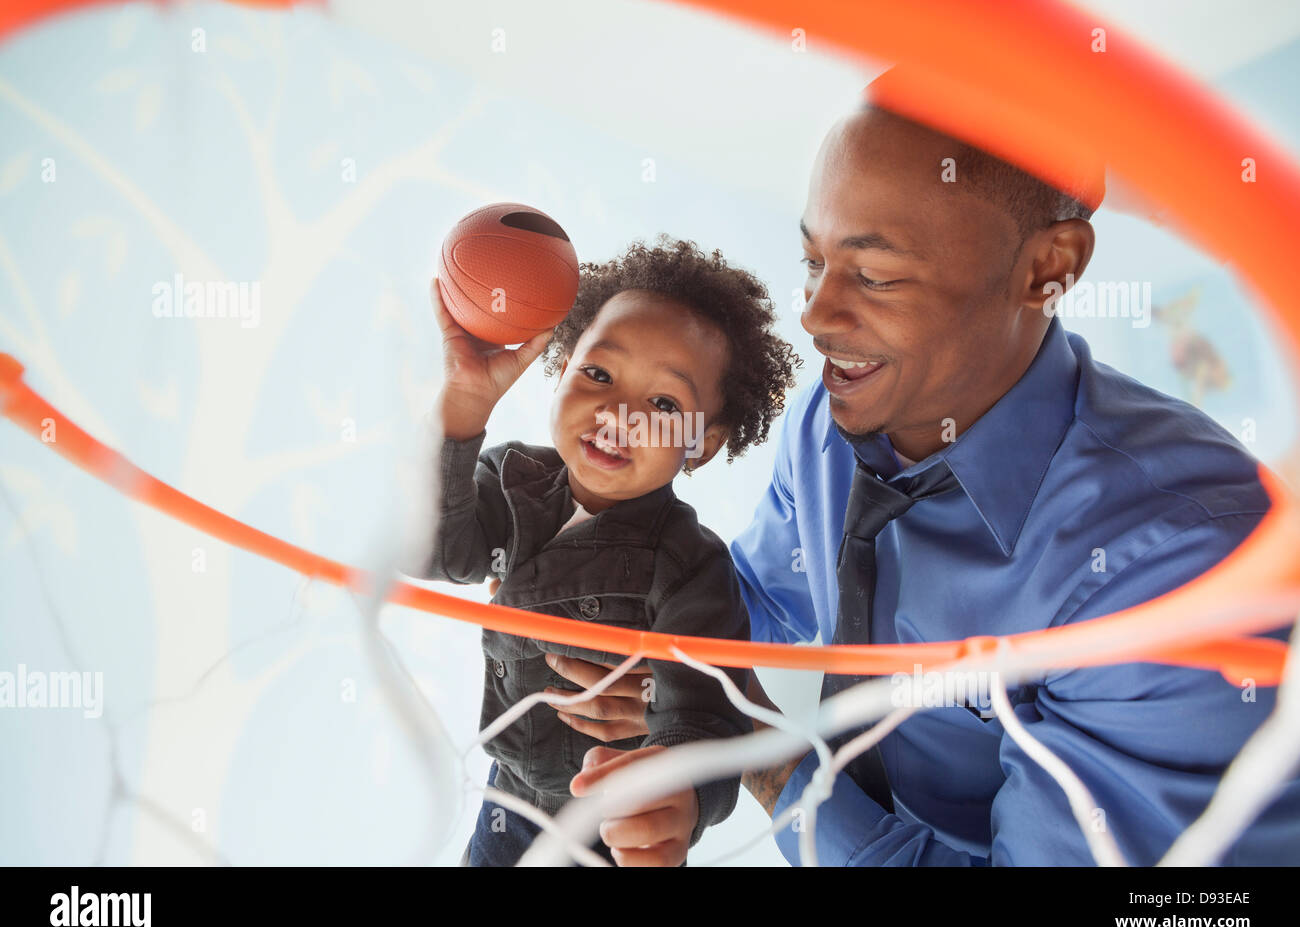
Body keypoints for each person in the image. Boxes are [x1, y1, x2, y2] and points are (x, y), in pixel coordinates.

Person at [554, 89, 1300, 865]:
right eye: (814, 262)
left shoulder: (1183, 568)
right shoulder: (827, 422)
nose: (814, 315)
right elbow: (767, 597)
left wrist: (756, 753)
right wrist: (646, 636)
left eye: (874, 276)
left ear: (1048, 269)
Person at [404, 236, 800, 866]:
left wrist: (681, 802)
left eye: (664, 404)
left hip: (613, 819)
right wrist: (462, 408)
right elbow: (430, 549)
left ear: (700, 442)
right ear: (560, 367)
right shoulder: (510, 477)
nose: (619, 414)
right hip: (511, 799)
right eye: (598, 373)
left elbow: (705, 720)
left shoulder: (691, 566)